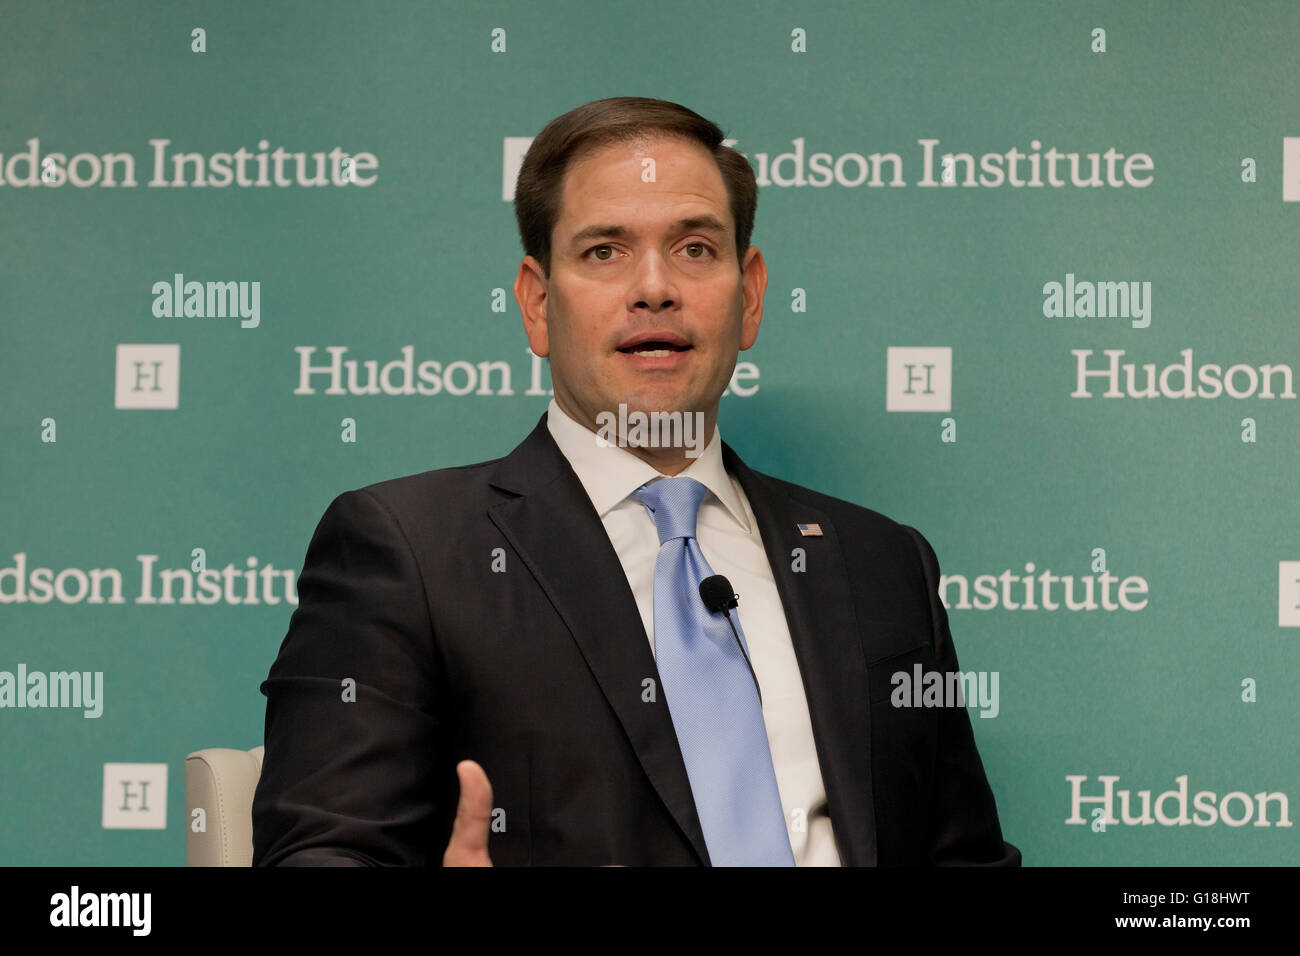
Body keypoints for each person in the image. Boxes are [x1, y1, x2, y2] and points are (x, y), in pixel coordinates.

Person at [252, 96, 1020, 867]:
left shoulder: (882, 563)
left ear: (748, 296)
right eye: (604, 252)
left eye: (694, 248)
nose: (655, 288)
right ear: (537, 303)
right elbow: (322, 854)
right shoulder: (409, 553)